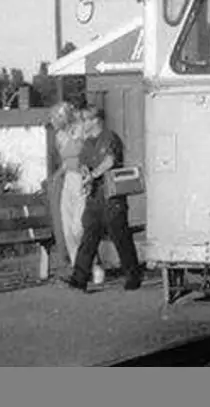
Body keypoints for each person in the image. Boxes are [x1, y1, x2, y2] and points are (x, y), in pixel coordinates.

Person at [66, 107, 143, 292]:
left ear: (96, 120)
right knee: (89, 237)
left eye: (86, 120)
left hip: (112, 197)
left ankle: (133, 275)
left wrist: (92, 175)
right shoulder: (87, 143)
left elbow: (109, 161)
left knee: (120, 236)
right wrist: (85, 173)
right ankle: (79, 278)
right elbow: (83, 163)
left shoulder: (110, 138)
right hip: (94, 198)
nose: (83, 124)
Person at [50, 102, 88, 268]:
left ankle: (91, 263)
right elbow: (66, 161)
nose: (53, 120)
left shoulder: (80, 129)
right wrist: (57, 175)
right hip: (69, 178)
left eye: (57, 116)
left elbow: (83, 153)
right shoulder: (59, 135)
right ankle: (77, 266)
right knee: (67, 226)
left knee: (78, 227)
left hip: (82, 177)